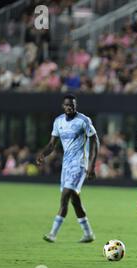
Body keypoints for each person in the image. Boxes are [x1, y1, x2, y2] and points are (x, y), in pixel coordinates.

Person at [37, 94, 98, 243]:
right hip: (67, 165)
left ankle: (52, 233)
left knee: (64, 197)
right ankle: (88, 233)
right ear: (63, 106)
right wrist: (43, 154)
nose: (70, 107)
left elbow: (95, 141)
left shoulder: (83, 121)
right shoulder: (58, 122)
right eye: (67, 105)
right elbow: (52, 144)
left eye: (73, 105)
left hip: (80, 165)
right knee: (74, 201)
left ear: (76, 106)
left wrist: (91, 165)